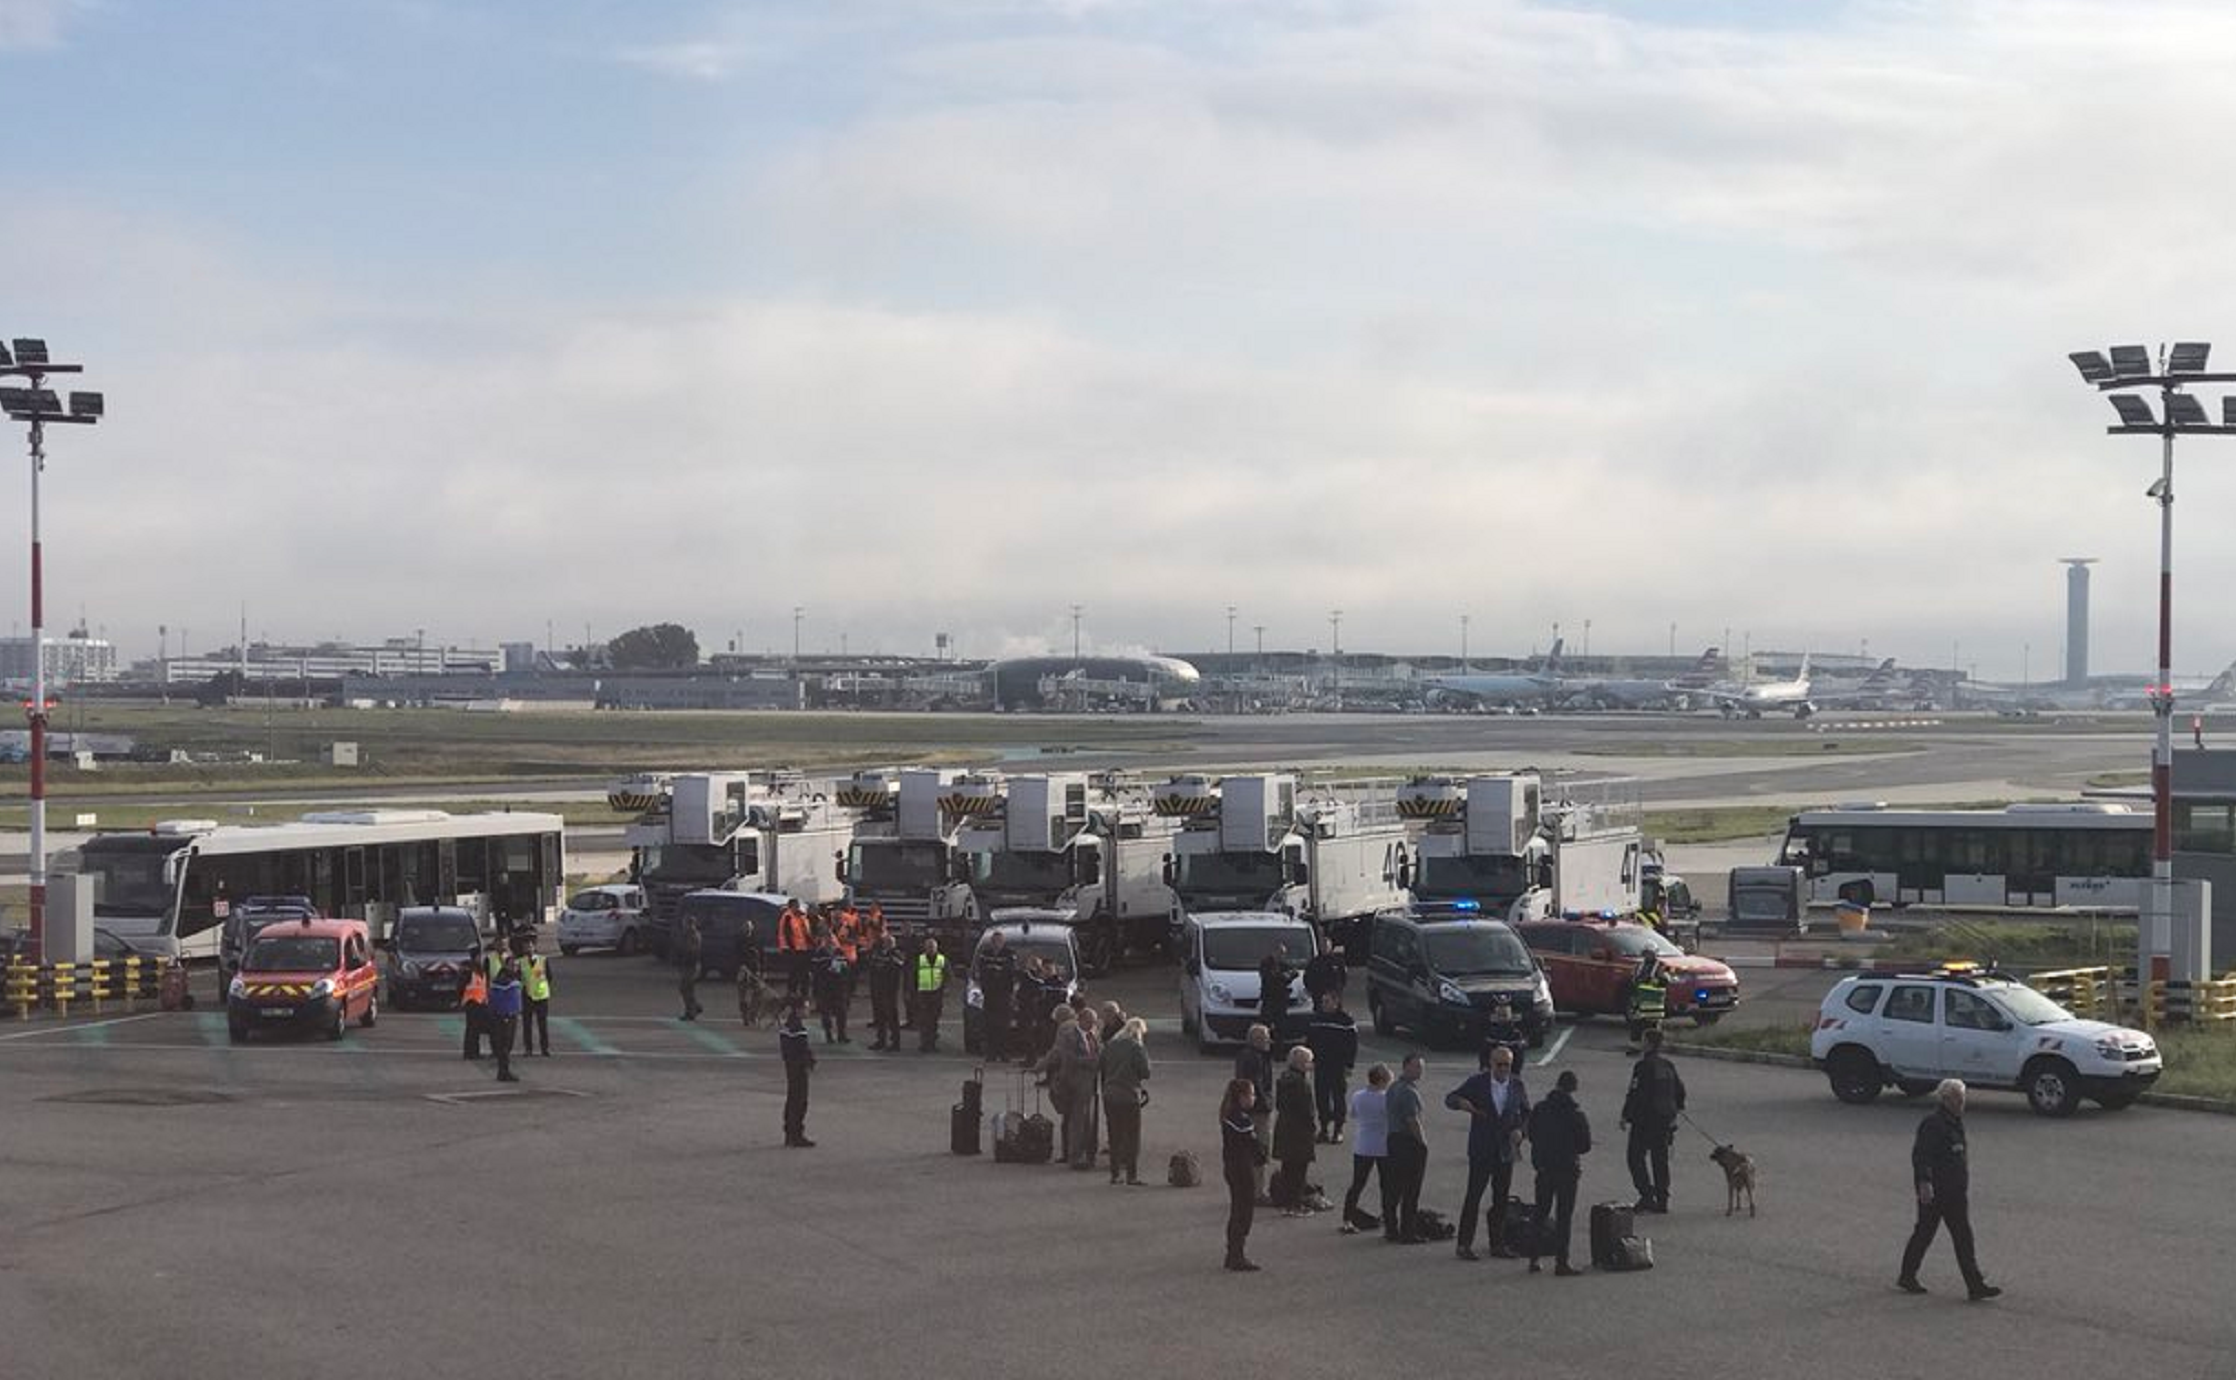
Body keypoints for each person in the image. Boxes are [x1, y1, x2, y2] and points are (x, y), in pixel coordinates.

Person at [1899, 1079, 2000, 1300]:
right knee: (1924, 1234)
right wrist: (1925, 1184)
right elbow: (1921, 1156)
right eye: (1957, 1098)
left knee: (1964, 1237)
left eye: (1962, 1098)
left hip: (1956, 1193)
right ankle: (1907, 1275)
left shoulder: (1955, 1122)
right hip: (1935, 1193)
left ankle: (1975, 1285)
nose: (1962, 1102)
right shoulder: (1933, 1124)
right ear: (1945, 1100)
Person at [1445, 1042, 1531, 1260]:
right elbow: (1450, 1098)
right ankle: (1464, 1245)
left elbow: (1527, 1114)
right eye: (1500, 1064)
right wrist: (1462, 1103)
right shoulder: (1477, 1083)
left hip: (1505, 1150)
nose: (1503, 1069)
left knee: (1501, 1199)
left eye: (1507, 1065)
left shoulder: (1517, 1085)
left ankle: (1498, 1243)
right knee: (1473, 1197)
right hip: (1482, 1150)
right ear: (1491, 1064)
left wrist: (1521, 1131)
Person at [1525, 1069, 1591, 1275]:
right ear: (1573, 1088)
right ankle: (1562, 1261)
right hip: (1567, 1169)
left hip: (1544, 1168)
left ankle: (1533, 1258)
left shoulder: (1541, 1109)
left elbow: (1531, 1133)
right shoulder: (1576, 1114)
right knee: (1564, 1216)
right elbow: (1584, 1145)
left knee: (1540, 1213)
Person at [1620, 1027, 1686, 1213]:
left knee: (1635, 1158)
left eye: (1643, 1040)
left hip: (1645, 1120)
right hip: (1665, 1119)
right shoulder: (1667, 1065)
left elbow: (1635, 1092)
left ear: (1648, 1043)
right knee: (1660, 1159)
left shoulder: (1642, 1066)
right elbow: (1680, 1090)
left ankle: (1647, 1196)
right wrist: (1676, 1110)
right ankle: (1663, 1199)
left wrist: (1626, 1115)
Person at [1047, 1006, 1102, 1170]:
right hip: (1074, 1083)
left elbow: (1099, 1052)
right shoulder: (1069, 1036)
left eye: (1094, 1022)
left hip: (1089, 1086)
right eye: (1089, 1021)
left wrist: (1095, 1060)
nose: (1092, 1025)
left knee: (1088, 1122)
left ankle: (1087, 1154)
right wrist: (1091, 1061)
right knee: (1076, 1121)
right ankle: (1075, 1156)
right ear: (1081, 1020)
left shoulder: (1094, 1034)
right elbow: (1069, 1058)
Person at [1383, 1053, 1430, 1243]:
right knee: (1411, 1189)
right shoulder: (1409, 1092)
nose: (1420, 1070)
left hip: (1393, 1139)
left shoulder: (1393, 1087)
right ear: (1406, 1067)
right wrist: (1423, 1143)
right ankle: (1407, 1231)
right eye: (1416, 1066)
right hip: (1408, 1142)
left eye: (1421, 1066)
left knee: (1392, 1187)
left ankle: (1391, 1228)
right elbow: (1413, 1121)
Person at [1220, 1078, 1265, 1272]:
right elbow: (1253, 1145)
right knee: (1243, 1211)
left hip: (1232, 1166)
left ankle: (1233, 1253)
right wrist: (1261, 1155)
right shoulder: (1240, 1119)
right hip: (1241, 1168)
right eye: (1251, 1094)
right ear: (1241, 1097)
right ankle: (1236, 1255)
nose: (1253, 1098)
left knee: (1238, 1209)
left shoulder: (1229, 1114)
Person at [1341, 1063, 1392, 1235]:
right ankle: (1388, 1216)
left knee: (1357, 1184)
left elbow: (1354, 1114)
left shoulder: (1358, 1095)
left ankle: (1347, 1218)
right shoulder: (1386, 1098)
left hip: (1362, 1145)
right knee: (1387, 1184)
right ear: (1383, 1080)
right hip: (1383, 1145)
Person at [1100, 1016, 1151, 1186]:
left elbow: (1101, 1066)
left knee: (1114, 1135)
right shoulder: (1136, 1047)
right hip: (1129, 1095)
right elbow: (1145, 1072)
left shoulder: (1110, 1045)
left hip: (1110, 1094)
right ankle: (1131, 1175)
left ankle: (1114, 1174)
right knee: (1131, 1137)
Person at [1305, 991, 1358, 1144]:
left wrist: (1349, 1065)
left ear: (1336, 1002)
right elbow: (1310, 1040)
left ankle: (1338, 1129)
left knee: (1338, 1097)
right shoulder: (1316, 1019)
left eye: (1327, 1002)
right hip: (1321, 1064)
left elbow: (1352, 1045)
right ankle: (1323, 1129)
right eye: (1323, 1001)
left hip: (1338, 1066)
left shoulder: (1346, 1021)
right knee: (1321, 1097)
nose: (1324, 1005)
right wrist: (1309, 1059)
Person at [1271, 1045, 1318, 1214]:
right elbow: (1307, 1111)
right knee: (1299, 1170)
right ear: (1301, 1063)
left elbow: (1279, 1104)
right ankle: (1295, 1204)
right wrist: (1312, 1128)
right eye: (1309, 1062)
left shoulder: (1283, 1079)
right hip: (1299, 1131)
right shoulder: (1301, 1084)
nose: (1311, 1065)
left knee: (1288, 1167)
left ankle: (1286, 1201)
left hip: (1284, 1126)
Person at [1233, 1025, 1277, 1202]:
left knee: (1247, 1151)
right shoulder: (1256, 1059)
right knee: (1260, 1149)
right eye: (1266, 1038)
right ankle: (1258, 1192)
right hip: (1258, 1111)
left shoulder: (1244, 1056)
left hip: (1247, 1109)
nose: (1269, 1042)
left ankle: (1248, 1190)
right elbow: (1258, 1085)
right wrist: (1267, 1103)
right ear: (1257, 1040)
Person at [974, 930, 1018, 1060]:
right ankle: (991, 1053)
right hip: (989, 994)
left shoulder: (1009, 954)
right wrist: (995, 971)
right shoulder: (985, 954)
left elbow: (1009, 971)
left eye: (999, 941)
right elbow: (982, 971)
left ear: (1003, 942)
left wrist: (995, 970)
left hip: (1004, 994)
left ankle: (1003, 1052)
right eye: (994, 941)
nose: (996, 943)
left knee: (1003, 1025)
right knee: (989, 1024)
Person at [778, 998, 816, 1147]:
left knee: (792, 1098)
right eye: (806, 1008)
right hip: (798, 1067)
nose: (808, 1010)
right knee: (800, 1100)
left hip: (790, 1066)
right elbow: (802, 1049)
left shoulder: (787, 1026)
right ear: (798, 1010)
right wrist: (809, 1061)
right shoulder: (798, 1029)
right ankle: (796, 1134)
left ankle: (789, 1133)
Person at [865, 931, 906, 1051]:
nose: (887, 944)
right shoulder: (878, 954)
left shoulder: (897, 954)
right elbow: (871, 964)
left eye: (890, 943)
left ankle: (895, 1043)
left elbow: (899, 964)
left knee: (892, 1017)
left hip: (890, 990)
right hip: (878, 988)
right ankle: (881, 1040)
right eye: (886, 942)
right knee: (880, 1017)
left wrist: (886, 961)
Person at [485, 958, 523, 1084]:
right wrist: (504, 1014)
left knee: (508, 1044)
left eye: (517, 965)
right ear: (506, 965)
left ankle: (503, 1071)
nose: (515, 967)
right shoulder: (503, 980)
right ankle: (503, 1072)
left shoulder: (512, 978)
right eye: (512, 965)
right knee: (505, 1045)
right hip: (505, 1016)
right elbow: (498, 999)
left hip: (511, 1015)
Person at [812, 930, 851, 1044]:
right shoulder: (819, 953)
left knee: (841, 1011)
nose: (831, 942)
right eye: (828, 940)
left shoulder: (840, 952)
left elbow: (847, 969)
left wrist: (842, 969)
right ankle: (828, 1034)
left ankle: (842, 1034)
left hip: (839, 986)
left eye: (832, 940)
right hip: (824, 986)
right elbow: (815, 969)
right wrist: (828, 968)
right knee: (826, 1012)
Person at [518, 938, 554, 1057]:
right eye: (525, 947)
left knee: (542, 1024)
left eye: (530, 946)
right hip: (527, 995)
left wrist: (541, 987)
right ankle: (528, 1049)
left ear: (534, 947)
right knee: (527, 1024)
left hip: (541, 996)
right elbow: (518, 978)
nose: (528, 949)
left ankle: (545, 1048)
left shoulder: (543, 960)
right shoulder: (520, 962)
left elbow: (549, 976)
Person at [1626, 948, 1666, 1052]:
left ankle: (1653, 1048)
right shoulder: (1639, 966)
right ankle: (1634, 1047)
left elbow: (1665, 980)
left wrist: (1651, 981)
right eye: (1646, 953)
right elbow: (1633, 979)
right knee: (1636, 1024)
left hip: (1654, 1001)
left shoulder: (1661, 966)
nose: (1647, 956)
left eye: (1650, 953)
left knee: (1652, 1026)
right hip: (1640, 1000)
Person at [913, 938, 948, 1052]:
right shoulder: (919, 960)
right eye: (928, 947)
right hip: (923, 994)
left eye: (932, 947)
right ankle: (924, 1043)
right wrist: (912, 991)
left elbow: (948, 975)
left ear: (936, 948)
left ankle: (932, 1043)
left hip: (937, 994)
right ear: (925, 948)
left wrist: (944, 988)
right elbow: (912, 976)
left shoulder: (942, 960)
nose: (930, 949)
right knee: (923, 1020)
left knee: (934, 1020)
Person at [777, 901, 813, 1000]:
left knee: (803, 972)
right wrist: (792, 948)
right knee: (795, 972)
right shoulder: (788, 917)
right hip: (792, 949)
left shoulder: (800, 916)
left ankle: (801, 993)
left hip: (802, 948)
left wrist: (811, 944)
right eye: (796, 906)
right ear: (791, 907)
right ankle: (792, 993)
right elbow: (788, 934)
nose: (798, 908)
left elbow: (805, 932)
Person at [1257, 952, 1295, 1045]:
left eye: (1283, 953)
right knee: (1265, 1026)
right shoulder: (1266, 963)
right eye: (1279, 953)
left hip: (1281, 1000)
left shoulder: (1284, 964)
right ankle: (1264, 1050)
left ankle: (1279, 1052)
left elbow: (1294, 972)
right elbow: (1268, 976)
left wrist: (1287, 976)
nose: (1281, 955)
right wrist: (1282, 976)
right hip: (1269, 999)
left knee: (1281, 1027)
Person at [674, 914, 705, 1022]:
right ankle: (694, 1008)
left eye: (686, 923)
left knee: (686, 989)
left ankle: (691, 1011)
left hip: (690, 966)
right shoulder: (688, 935)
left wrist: (684, 957)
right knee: (686, 989)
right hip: (687, 965)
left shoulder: (693, 936)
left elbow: (692, 951)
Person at [1303, 931, 1347, 1008]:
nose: (1325, 947)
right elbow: (1307, 977)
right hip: (1318, 996)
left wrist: (1338, 990)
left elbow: (1343, 977)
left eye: (1327, 946)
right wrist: (1312, 991)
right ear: (1320, 947)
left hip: (1334, 996)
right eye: (1323, 945)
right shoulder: (1314, 962)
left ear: (1331, 946)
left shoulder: (1337, 961)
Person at [459, 959, 490, 1061]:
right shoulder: (469, 974)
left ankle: (475, 1052)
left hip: (480, 1003)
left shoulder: (483, 974)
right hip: (471, 1003)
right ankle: (469, 1053)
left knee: (476, 1030)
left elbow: (484, 989)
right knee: (472, 1030)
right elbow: (461, 987)